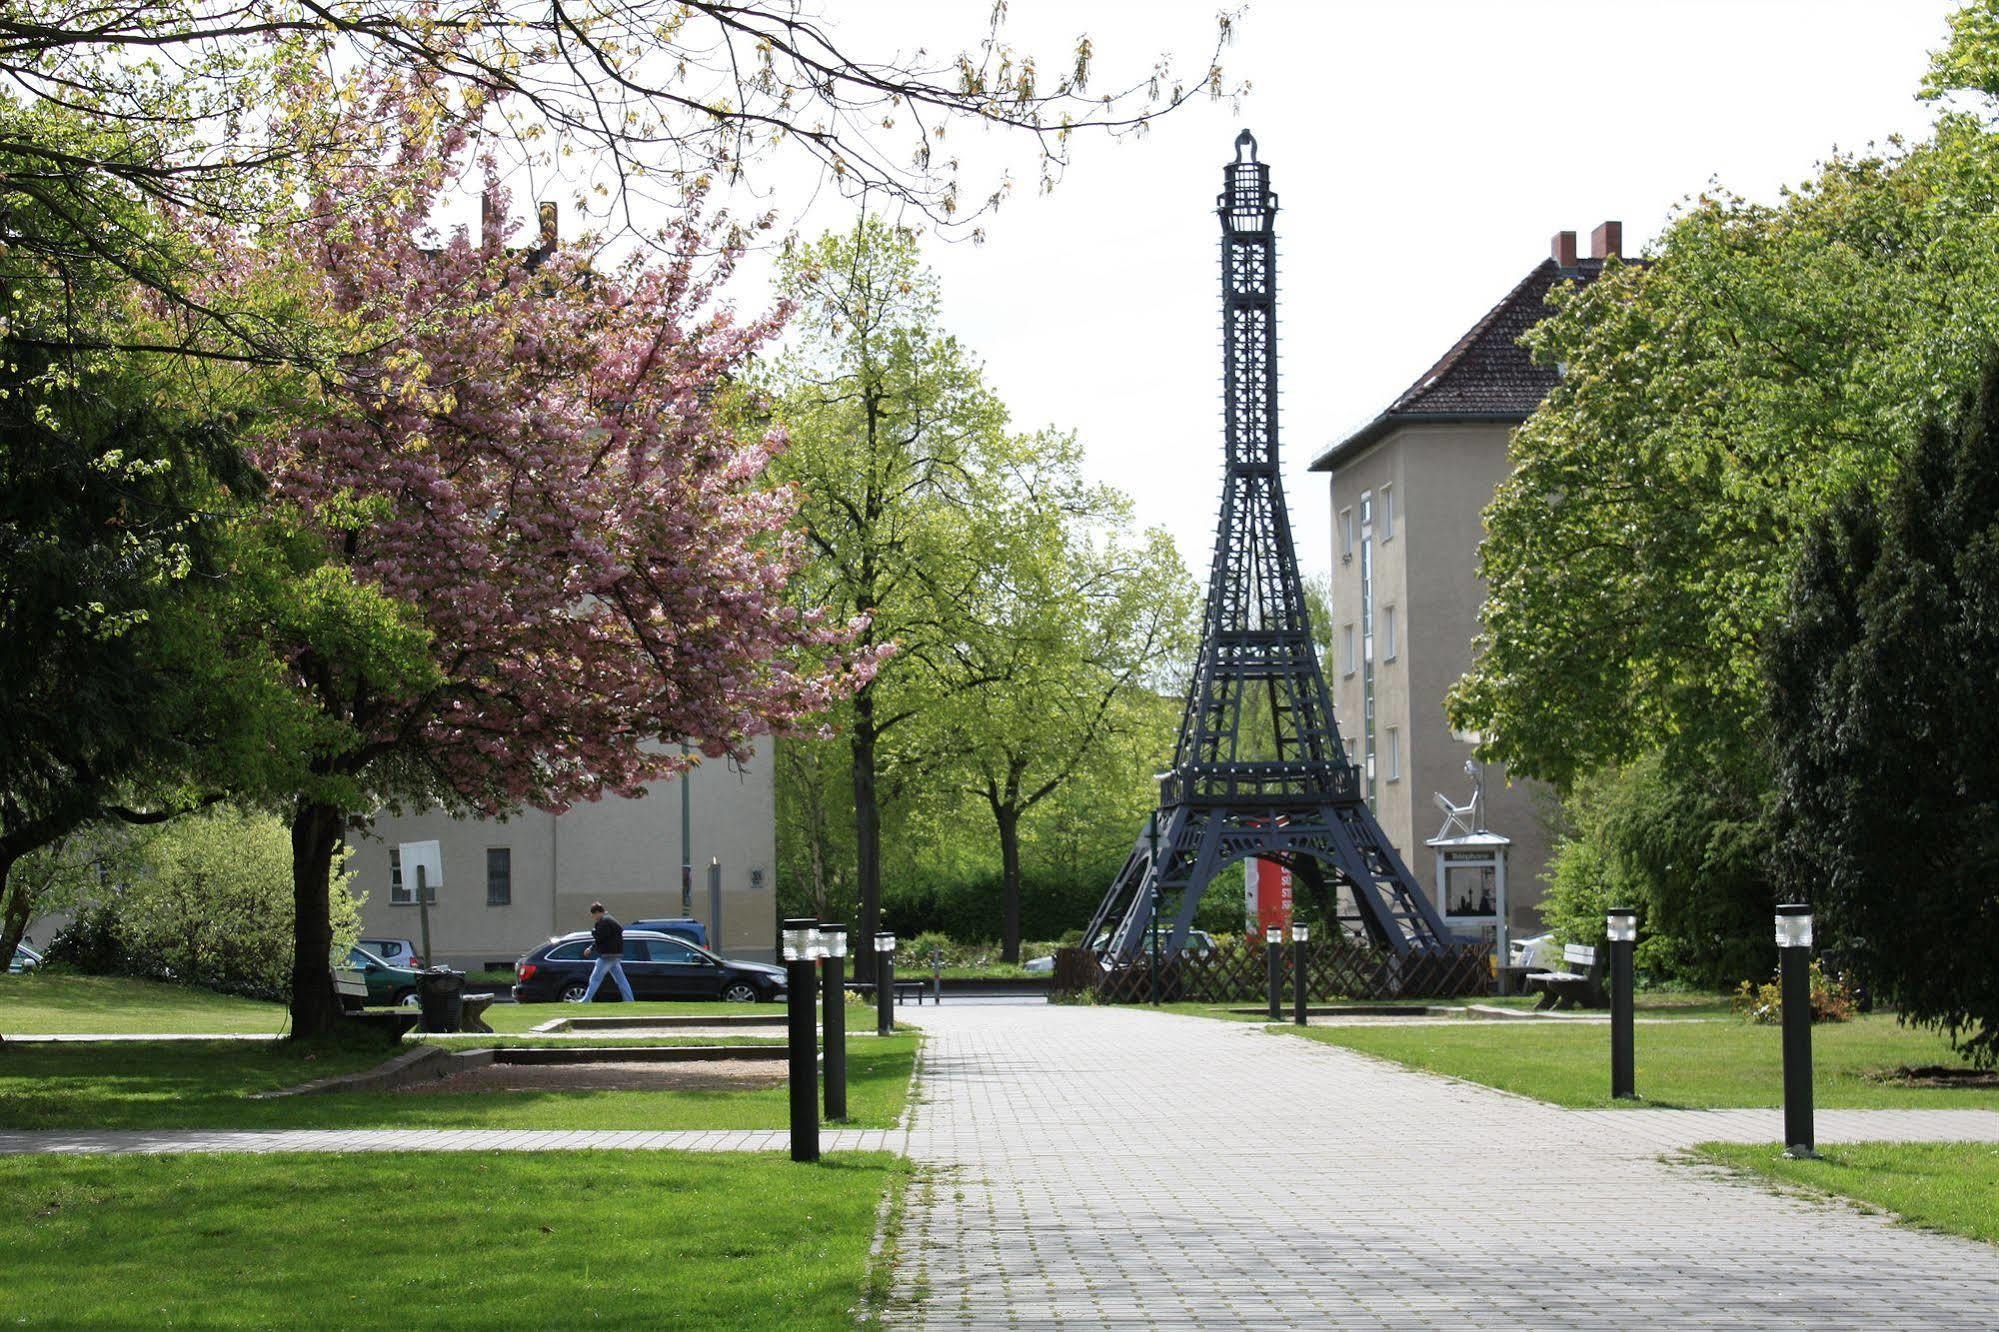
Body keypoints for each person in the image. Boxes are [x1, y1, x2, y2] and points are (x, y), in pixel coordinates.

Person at [580, 902, 634, 1002]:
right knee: (621, 980)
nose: (593, 917)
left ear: (597, 912)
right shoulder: (610, 920)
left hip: (607, 955)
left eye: (593, 914)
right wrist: (591, 948)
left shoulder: (604, 922)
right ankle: (629, 1000)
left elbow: (599, 937)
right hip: (616, 954)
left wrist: (593, 931)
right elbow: (604, 937)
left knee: (595, 979)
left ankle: (585, 1000)